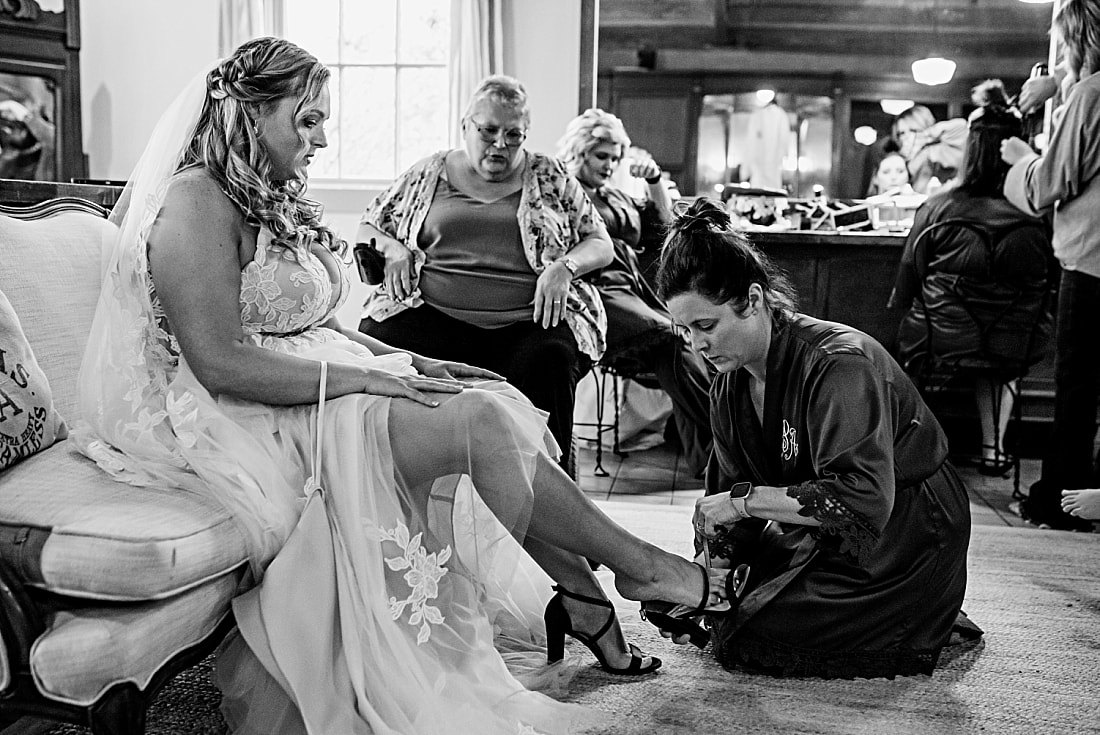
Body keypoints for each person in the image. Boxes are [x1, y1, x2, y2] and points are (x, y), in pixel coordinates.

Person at [73, 38, 728, 734]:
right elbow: (223, 362)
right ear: (252, 111)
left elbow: (313, 321)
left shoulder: (265, 193)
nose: (323, 137)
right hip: (242, 410)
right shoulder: (195, 202)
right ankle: (638, 568)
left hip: (315, 372)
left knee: (493, 402)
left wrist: (408, 364)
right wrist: (366, 379)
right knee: (479, 422)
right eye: (309, 118)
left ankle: (592, 589)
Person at [653, 197, 976, 679]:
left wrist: (744, 503)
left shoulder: (839, 365)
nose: (698, 346)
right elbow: (724, 498)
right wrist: (709, 577)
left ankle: (926, 607)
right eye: (685, 332)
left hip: (905, 528)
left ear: (755, 300)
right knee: (720, 603)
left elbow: (862, 500)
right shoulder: (729, 380)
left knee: (763, 627)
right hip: (815, 524)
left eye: (706, 326)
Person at [357, 76, 611, 476]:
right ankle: (389, 480)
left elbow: (599, 241)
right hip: (434, 314)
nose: (499, 145)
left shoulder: (549, 174)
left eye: (513, 135)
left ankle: (550, 498)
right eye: (488, 131)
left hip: (527, 322)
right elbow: (370, 226)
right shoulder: (428, 173)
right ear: (465, 127)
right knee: (376, 344)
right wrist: (393, 248)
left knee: (552, 360)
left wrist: (565, 267)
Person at [889, 79, 1055, 476]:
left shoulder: (939, 206)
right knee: (1002, 358)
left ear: (970, 151)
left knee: (902, 340)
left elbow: (908, 283)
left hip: (940, 335)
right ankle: (993, 449)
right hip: (1016, 339)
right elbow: (1050, 286)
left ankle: (910, 452)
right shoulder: (1038, 213)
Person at [556, 108, 713, 473]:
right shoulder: (562, 192)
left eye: (615, 158)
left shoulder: (614, 196)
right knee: (674, 339)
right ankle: (737, 436)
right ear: (579, 150)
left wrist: (654, 178)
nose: (610, 165)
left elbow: (665, 228)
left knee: (683, 347)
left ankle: (711, 462)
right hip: (593, 297)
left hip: (632, 294)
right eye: (601, 156)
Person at [1001, 0, 1100, 533]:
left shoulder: (1091, 93)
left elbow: (1049, 185)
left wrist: (1021, 161)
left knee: (1077, 386)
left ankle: (1059, 502)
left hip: (1091, 259)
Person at [892, 104, 967, 194]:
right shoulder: (900, 162)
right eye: (901, 133)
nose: (907, 138)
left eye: (913, 130)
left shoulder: (942, 150)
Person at [0, 98, 55, 180]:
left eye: (14, 126)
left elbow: (54, 138)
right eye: (5, 126)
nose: (7, 131)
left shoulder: (48, 154)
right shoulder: (7, 161)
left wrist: (25, 115)